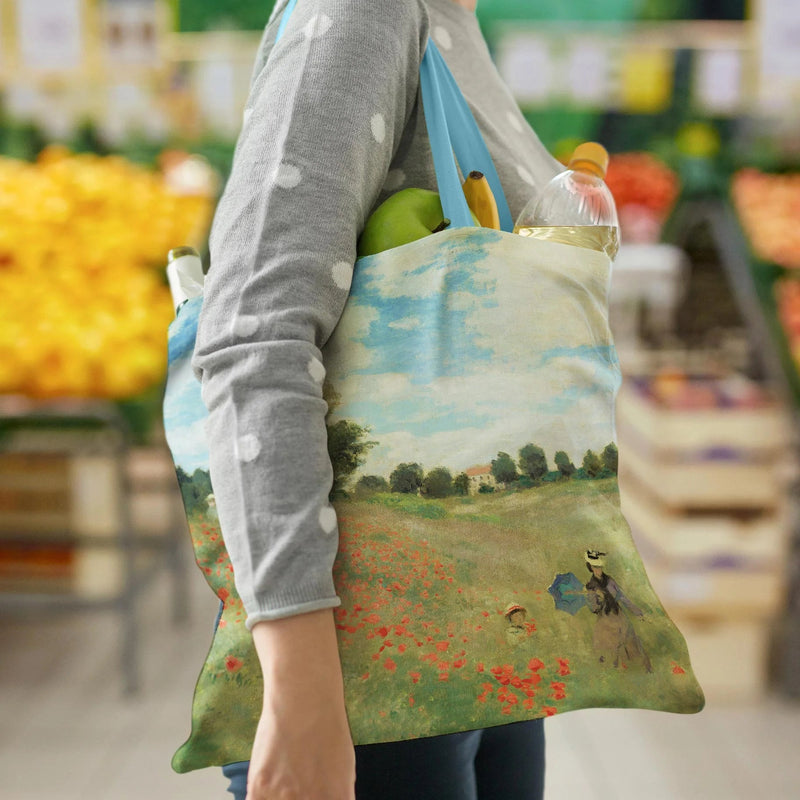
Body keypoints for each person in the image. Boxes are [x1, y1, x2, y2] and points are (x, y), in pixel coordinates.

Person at [191, 0, 561, 797]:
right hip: (368, 667)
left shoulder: (445, 15)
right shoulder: (368, 9)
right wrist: (303, 700)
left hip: (474, 627)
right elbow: (256, 335)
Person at [584, 549, 652, 673]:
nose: (598, 570)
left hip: (619, 617)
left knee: (633, 645)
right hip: (605, 623)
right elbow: (593, 609)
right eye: (595, 567)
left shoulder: (610, 581)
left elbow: (622, 597)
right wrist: (597, 598)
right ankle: (614, 676)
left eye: (599, 567)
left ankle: (645, 671)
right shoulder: (590, 587)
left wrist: (638, 613)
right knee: (609, 653)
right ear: (591, 568)